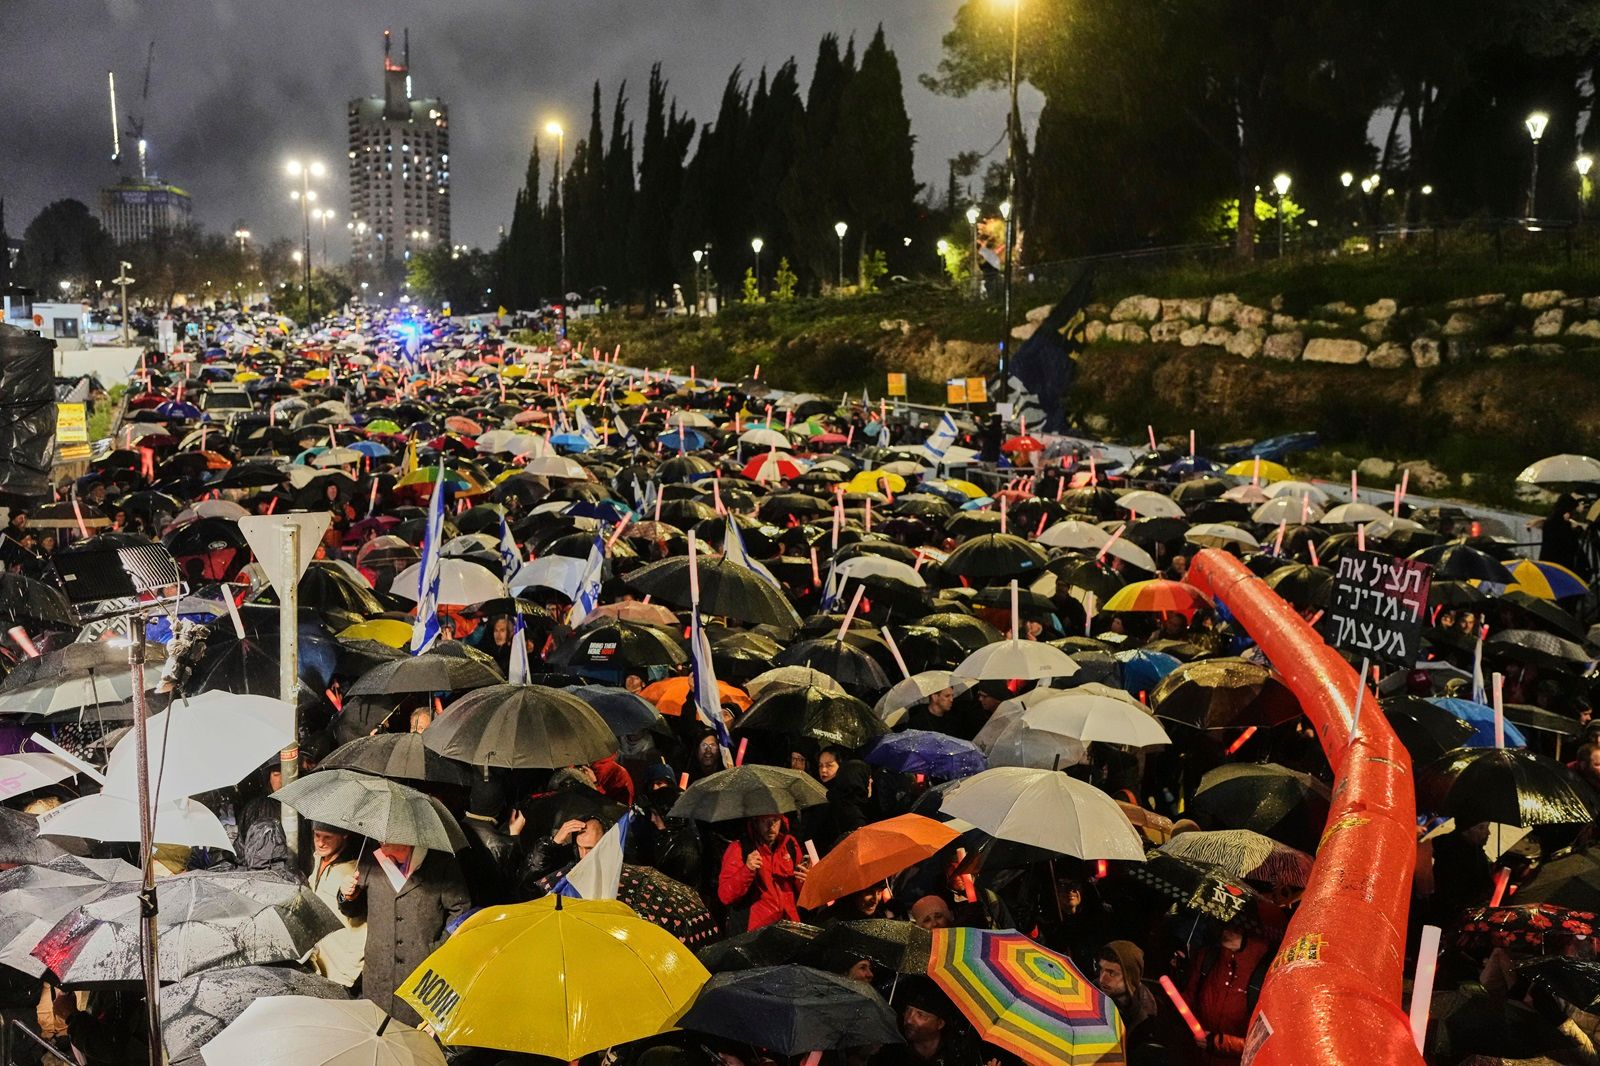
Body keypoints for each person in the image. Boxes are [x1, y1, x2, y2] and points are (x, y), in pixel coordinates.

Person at [338, 839, 472, 1026]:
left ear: (406, 838)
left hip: (421, 974)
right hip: (378, 973)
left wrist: (437, 948)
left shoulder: (440, 862)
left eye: (388, 842)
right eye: (381, 841)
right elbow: (354, 911)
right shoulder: (370, 858)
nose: (382, 846)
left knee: (413, 1041)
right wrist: (347, 896)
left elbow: (461, 911)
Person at [1181, 922, 1272, 1064]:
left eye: (1235, 924)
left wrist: (1219, 1043)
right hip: (1195, 1057)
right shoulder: (1209, 956)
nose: (1225, 929)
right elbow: (1188, 999)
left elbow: (1263, 1041)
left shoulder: (1267, 970)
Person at [717, 814, 806, 933]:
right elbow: (725, 896)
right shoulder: (739, 848)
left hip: (790, 926)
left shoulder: (790, 844)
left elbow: (801, 893)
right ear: (756, 822)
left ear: (781, 821)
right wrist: (747, 870)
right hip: (756, 932)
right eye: (765, 821)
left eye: (775, 820)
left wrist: (805, 882)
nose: (771, 826)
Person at [306, 824, 366, 988]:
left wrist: (349, 897)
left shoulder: (354, 871)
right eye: (317, 835)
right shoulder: (319, 859)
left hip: (343, 972)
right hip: (320, 963)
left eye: (328, 837)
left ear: (344, 835)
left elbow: (357, 918)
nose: (320, 843)